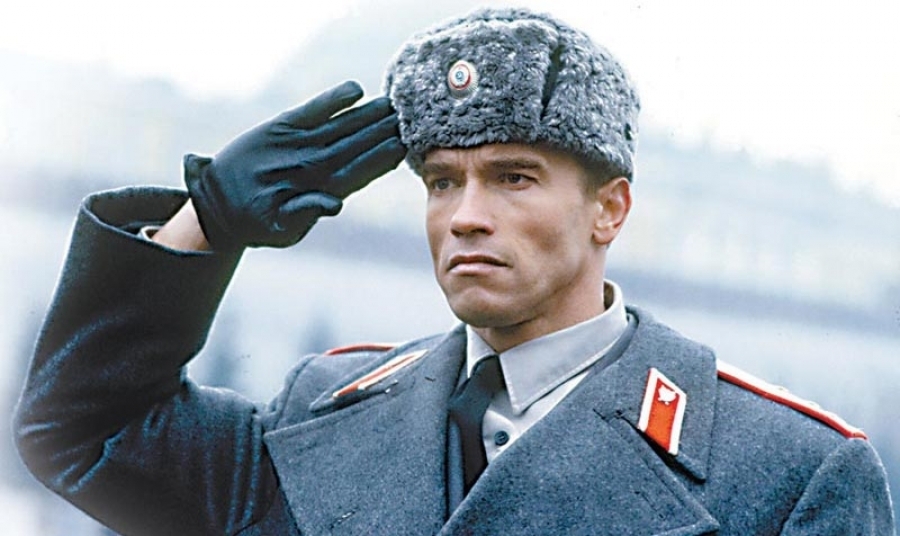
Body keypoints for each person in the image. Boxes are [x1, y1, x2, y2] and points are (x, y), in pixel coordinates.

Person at [13, 7, 895, 536]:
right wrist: (204, 222)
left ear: (610, 210)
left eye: (514, 177)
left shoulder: (788, 473)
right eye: (442, 181)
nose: (466, 214)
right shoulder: (321, 417)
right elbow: (80, 431)